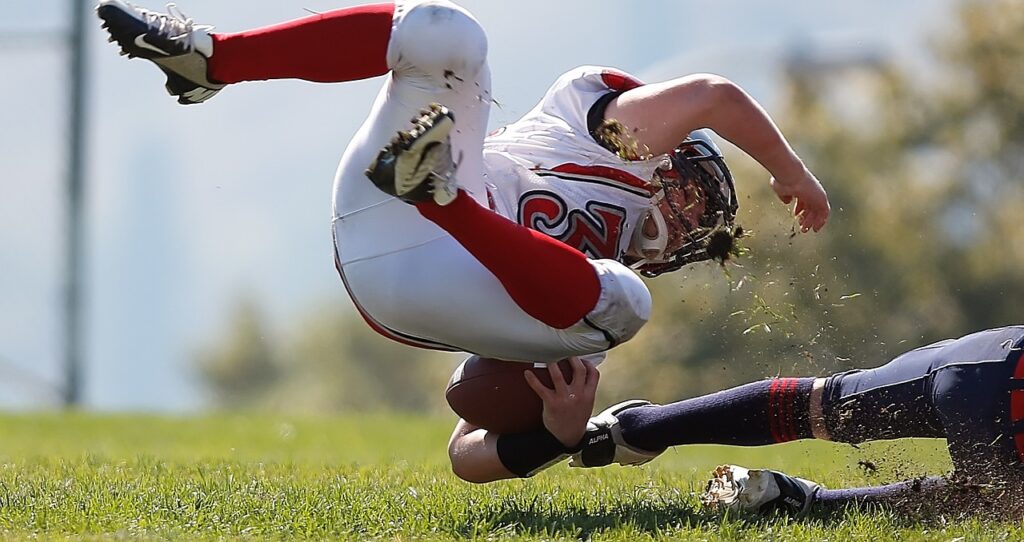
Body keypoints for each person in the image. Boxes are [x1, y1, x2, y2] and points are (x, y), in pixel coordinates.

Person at [98, 0, 829, 477]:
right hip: (387, 203)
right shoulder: (608, 140)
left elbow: (466, 459)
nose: (693, 219)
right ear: (670, 157)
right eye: (699, 194)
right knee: (447, 35)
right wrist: (792, 173)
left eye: (702, 225)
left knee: (620, 308)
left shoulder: (574, 302)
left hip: (423, 280)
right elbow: (715, 98)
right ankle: (212, 60)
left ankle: (445, 198)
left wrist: (561, 433)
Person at [536, 325, 1024, 517]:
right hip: (1003, 388)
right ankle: (807, 504)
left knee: (823, 404)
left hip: (984, 356)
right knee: (995, 504)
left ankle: (635, 429)